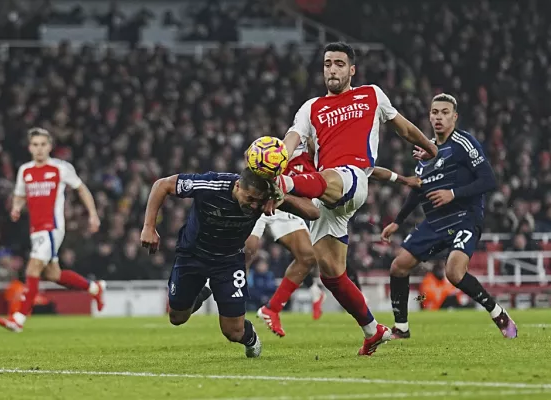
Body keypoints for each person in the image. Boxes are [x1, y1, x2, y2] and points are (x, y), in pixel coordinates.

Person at [268, 41, 436, 355]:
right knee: (331, 274)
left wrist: (430, 146)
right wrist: (279, 154)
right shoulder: (311, 107)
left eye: (339, 64)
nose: (332, 69)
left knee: (325, 178)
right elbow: (293, 138)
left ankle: (283, 185)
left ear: (352, 69)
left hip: (352, 177)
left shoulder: (371, 94)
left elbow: (403, 127)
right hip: (326, 191)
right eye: (328, 63)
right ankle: (372, 331)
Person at [139, 168, 320, 358]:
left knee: (233, 332)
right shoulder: (211, 184)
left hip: (229, 261)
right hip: (191, 256)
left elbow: (314, 213)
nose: (253, 206)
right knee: (177, 317)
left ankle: (251, 338)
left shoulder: (264, 200)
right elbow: (162, 184)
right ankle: (201, 293)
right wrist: (149, 227)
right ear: (237, 186)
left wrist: (283, 199)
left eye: (258, 201)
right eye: (249, 199)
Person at [382, 93, 518, 339]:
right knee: (398, 267)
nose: (439, 117)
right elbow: (418, 188)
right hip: (435, 222)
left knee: (454, 273)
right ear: (429, 116)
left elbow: (488, 180)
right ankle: (401, 328)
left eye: (445, 112)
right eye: (435, 112)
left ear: (454, 117)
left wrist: (453, 193)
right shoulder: (426, 150)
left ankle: (497, 312)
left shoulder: (464, 142)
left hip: (464, 217)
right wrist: (396, 222)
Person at [249, 144, 422, 337]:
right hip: (265, 197)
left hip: (290, 204)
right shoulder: (291, 149)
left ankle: (270, 309)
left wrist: (404, 180)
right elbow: (262, 164)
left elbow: (370, 171)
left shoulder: (331, 158)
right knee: (248, 250)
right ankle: (232, 308)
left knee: (308, 258)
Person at [0, 128, 105, 333]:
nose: (39, 149)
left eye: (43, 144)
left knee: (33, 267)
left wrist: (92, 214)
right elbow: (19, 195)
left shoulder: (60, 168)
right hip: (36, 230)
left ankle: (18, 319)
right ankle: (94, 288)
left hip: (52, 228)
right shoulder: (25, 171)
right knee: (53, 274)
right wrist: (17, 207)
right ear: (30, 147)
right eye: (35, 145)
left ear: (50, 146)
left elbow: (81, 188)